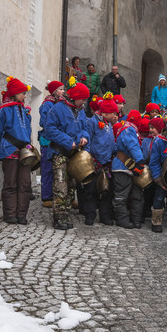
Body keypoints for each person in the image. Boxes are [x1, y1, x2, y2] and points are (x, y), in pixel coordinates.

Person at [44, 81, 90, 230]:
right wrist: (67, 141)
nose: (84, 102)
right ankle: (59, 217)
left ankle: (66, 213)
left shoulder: (80, 110)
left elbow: (84, 128)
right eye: (83, 99)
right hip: (60, 153)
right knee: (60, 185)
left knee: (71, 186)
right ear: (75, 97)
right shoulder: (57, 109)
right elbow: (49, 129)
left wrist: (84, 136)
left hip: (74, 154)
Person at [0, 77, 34, 225]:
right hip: (9, 150)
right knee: (10, 183)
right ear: (14, 93)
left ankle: (21, 214)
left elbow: (28, 131)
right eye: (22, 93)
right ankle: (10, 214)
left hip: (24, 153)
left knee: (25, 183)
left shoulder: (24, 111)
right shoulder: (3, 111)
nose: (25, 96)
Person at [80, 98, 117, 226]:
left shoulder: (108, 124)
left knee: (106, 190)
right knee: (91, 190)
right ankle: (90, 215)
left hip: (107, 162)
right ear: (106, 112)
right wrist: (89, 156)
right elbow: (88, 140)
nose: (115, 116)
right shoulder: (92, 122)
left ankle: (105, 216)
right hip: (94, 161)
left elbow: (111, 141)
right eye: (113, 113)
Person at [111, 111, 146, 228]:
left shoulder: (124, 128)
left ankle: (134, 219)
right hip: (123, 168)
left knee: (135, 195)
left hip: (126, 166)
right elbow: (133, 146)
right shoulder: (129, 129)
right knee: (123, 196)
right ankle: (123, 220)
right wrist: (140, 162)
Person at [38, 80, 65, 207]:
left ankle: (57, 194)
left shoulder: (58, 103)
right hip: (47, 141)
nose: (63, 92)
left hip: (56, 140)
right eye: (60, 89)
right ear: (54, 91)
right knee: (47, 169)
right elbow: (45, 122)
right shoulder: (47, 104)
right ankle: (46, 196)